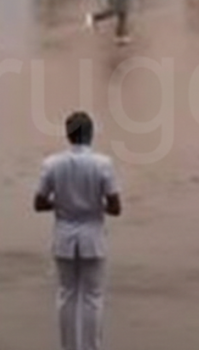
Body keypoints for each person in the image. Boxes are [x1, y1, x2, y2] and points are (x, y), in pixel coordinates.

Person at [35, 111, 122, 350]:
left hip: (64, 237)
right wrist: (96, 205)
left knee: (66, 295)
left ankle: (69, 346)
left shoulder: (52, 164)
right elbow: (115, 207)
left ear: (68, 135)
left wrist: (60, 204)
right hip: (93, 238)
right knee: (92, 298)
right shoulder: (103, 164)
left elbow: (39, 203)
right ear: (91, 134)